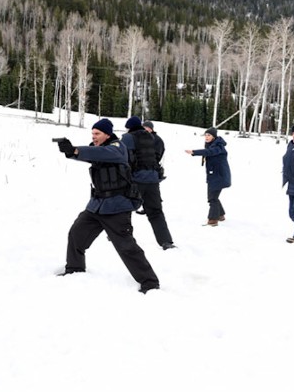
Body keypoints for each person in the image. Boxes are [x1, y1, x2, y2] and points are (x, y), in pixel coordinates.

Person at [55, 118, 160, 293]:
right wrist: (71, 153)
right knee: (76, 234)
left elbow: (102, 154)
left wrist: (75, 150)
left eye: (97, 134)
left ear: (107, 134)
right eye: (92, 134)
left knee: (127, 247)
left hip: (117, 207)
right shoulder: (99, 149)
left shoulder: (118, 148)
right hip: (96, 206)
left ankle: (150, 283)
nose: (94, 137)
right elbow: (92, 154)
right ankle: (75, 268)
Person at [121, 116, 175, 250]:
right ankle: (166, 241)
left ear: (130, 128)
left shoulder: (128, 138)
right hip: (152, 179)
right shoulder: (152, 137)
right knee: (156, 212)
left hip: (136, 179)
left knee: (124, 209)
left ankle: (120, 236)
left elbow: (123, 157)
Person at [185, 127, 231, 226]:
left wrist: (194, 152)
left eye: (209, 135)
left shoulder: (219, 147)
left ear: (214, 136)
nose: (206, 137)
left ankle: (213, 219)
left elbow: (209, 152)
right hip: (214, 175)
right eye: (205, 135)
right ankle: (220, 215)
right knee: (214, 197)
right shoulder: (211, 145)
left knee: (212, 198)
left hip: (219, 176)